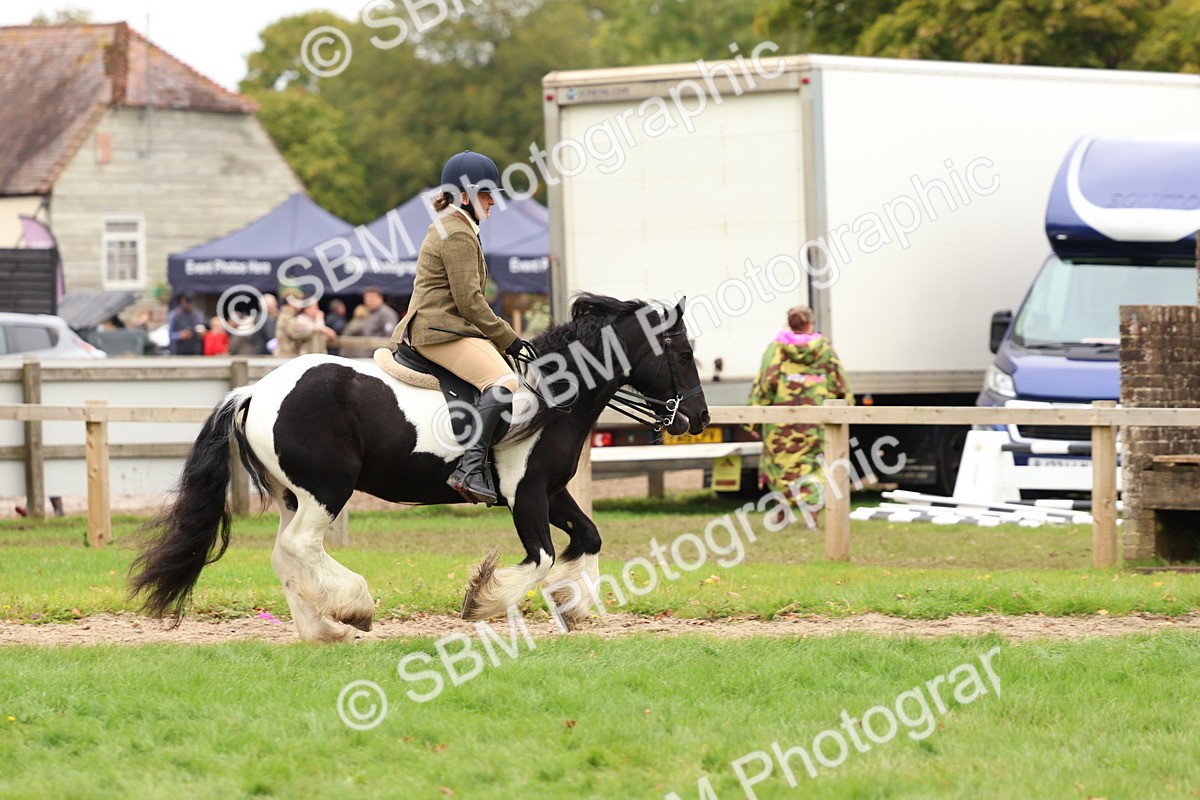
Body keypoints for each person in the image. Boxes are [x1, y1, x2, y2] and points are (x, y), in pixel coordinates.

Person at [391, 150, 533, 505]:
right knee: (504, 381)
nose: (493, 202)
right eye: (487, 194)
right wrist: (510, 339)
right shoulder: (456, 232)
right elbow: (470, 302)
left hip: (447, 327)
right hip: (440, 331)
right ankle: (469, 467)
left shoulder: (455, 226)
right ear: (465, 196)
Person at [749, 305, 854, 521]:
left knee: (779, 466)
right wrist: (847, 411)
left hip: (780, 424)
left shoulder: (776, 349)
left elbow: (764, 384)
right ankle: (812, 518)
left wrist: (752, 420)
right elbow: (840, 385)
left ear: (790, 324)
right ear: (810, 324)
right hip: (816, 422)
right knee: (814, 466)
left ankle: (781, 515)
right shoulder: (824, 349)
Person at [167, 291, 206, 356]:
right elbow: (170, 335)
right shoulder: (175, 315)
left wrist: (201, 333)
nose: (189, 305)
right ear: (182, 301)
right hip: (179, 352)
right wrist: (180, 335)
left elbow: (202, 330)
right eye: (187, 303)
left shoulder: (198, 314)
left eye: (190, 303)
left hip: (195, 351)